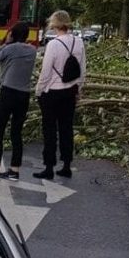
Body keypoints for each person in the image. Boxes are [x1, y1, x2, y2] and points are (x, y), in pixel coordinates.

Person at [34, 10, 86, 180]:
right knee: (66, 128)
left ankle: (49, 167)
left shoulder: (53, 45)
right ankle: (66, 165)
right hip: (70, 91)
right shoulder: (78, 42)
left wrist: (39, 91)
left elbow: (46, 72)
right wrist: (79, 88)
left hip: (52, 93)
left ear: (54, 24)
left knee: (49, 130)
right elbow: (82, 69)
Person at [0, 22, 37, 181]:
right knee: (16, 132)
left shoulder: (10, 48)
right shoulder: (33, 51)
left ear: (12, 34)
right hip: (24, 94)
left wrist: (5, 44)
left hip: (8, 92)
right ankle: (14, 170)